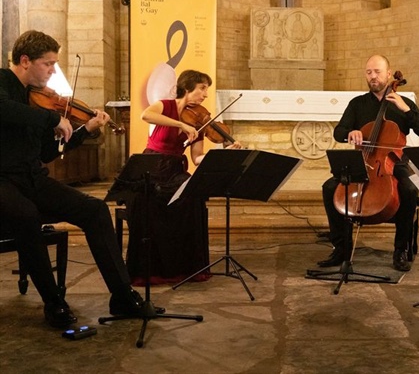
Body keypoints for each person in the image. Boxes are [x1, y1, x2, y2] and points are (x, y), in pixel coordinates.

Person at [0, 30, 148, 328]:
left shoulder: (39, 101)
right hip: (2, 181)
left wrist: (85, 131)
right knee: (26, 216)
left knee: (94, 210)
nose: (54, 71)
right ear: (26, 61)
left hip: (32, 179)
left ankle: (122, 296)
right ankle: (54, 303)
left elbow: (45, 152)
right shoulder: (2, 81)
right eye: (49, 64)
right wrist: (54, 119)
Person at [124, 70, 242, 285]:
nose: (205, 94)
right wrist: (180, 124)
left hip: (174, 169)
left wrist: (225, 153)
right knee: (147, 201)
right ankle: (151, 269)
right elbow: (146, 115)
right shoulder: (165, 106)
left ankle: (183, 267)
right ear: (188, 87)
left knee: (192, 196)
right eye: (202, 88)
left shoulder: (199, 121)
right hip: (152, 165)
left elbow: (197, 158)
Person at [319, 54, 419, 271]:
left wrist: (406, 110)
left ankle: (400, 249)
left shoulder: (404, 103)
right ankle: (341, 248)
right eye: (369, 72)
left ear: (389, 74)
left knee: (409, 190)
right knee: (329, 187)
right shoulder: (357, 104)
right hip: (363, 161)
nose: (373, 76)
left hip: (394, 162)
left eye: (377, 72)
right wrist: (350, 133)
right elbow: (338, 132)